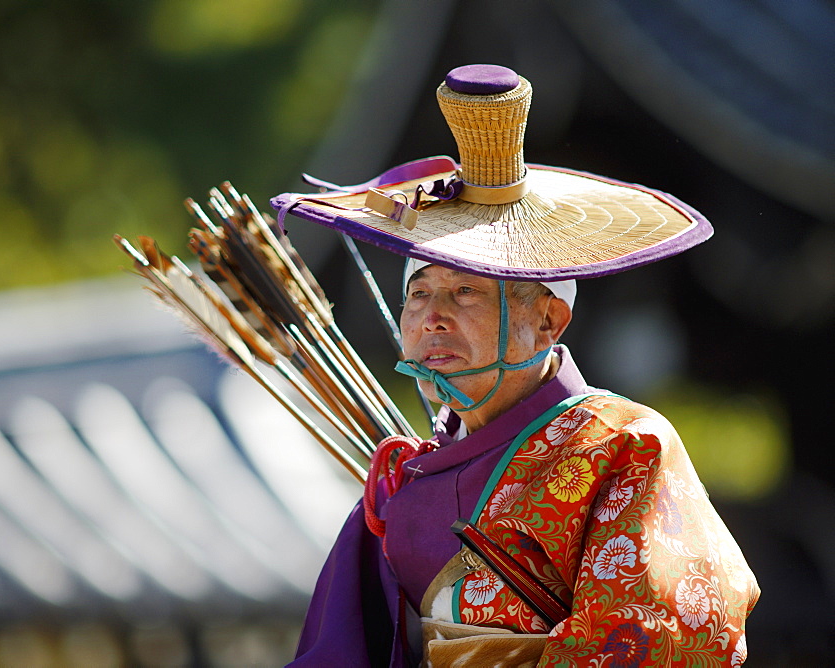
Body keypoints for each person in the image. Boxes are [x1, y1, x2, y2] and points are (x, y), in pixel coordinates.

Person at [272, 64, 759, 666]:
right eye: (420, 293)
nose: (433, 317)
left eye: (467, 293)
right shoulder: (410, 473)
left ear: (549, 321)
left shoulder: (624, 445)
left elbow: (666, 634)